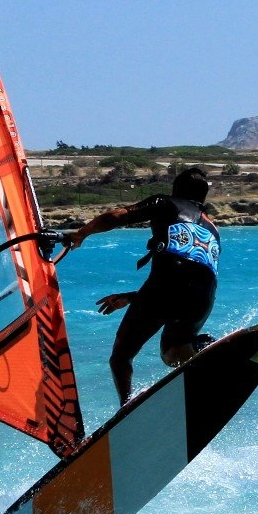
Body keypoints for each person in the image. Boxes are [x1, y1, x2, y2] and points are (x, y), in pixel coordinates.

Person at [61, 167, 221, 404]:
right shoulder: (213, 229)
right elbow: (190, 274)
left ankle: (126, 408)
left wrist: (83, 233)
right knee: (176, 354)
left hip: (165, 288)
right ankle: (210, 348)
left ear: (175, 190)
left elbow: (117, 216)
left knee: (120, 358)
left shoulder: (165, 203)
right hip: (204, 295)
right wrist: (133, 297)